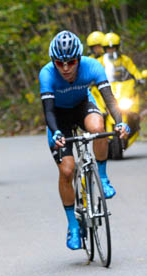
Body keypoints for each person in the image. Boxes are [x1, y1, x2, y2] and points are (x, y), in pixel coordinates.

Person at [38, 31, 129, 250]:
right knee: (67, 171)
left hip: (81, 106)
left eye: (71, 62)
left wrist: (119, 122)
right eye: (60, 62)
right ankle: (73, 225)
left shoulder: (92, 66)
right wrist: (56, 132)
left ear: (79, 59)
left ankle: (103, 177)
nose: (66, 68)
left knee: (98, 128)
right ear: (54, 61)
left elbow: (109, 99)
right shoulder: (47, 73)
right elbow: (48, 111)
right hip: (58, 116)